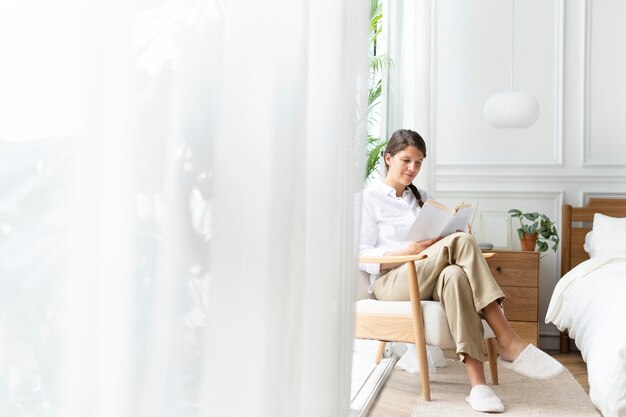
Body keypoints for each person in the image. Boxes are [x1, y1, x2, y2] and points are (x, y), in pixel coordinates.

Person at [358, 129, 563, 413]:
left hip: (425, 273)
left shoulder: (420, 198)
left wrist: (448, 234)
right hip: (391, 282)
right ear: (388, 158)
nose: (412, 169)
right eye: (406, 161)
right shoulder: (369, 199)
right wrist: (408, 251)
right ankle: (507, 338)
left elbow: (433, 240)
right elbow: (362, 255)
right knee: (463, 244)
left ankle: (478, 386)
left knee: (454, 275)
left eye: (418, 163)